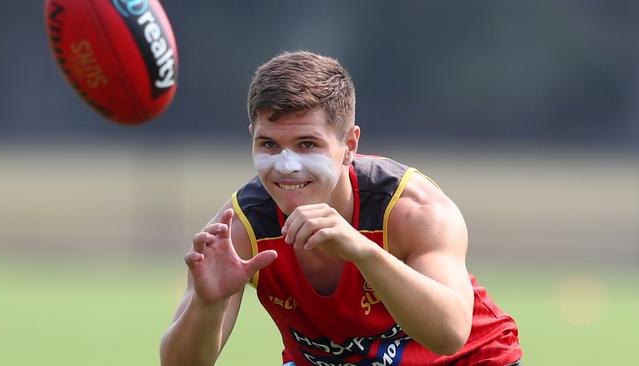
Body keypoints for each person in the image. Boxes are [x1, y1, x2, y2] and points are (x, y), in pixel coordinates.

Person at [160, 51, 523, 366]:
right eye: (269, 144)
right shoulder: (241, 229)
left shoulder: (410, 209)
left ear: (349, 145)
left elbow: (450, 335)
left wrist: (363, 251)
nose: (286, 166)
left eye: (307, 144)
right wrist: (208, 307)